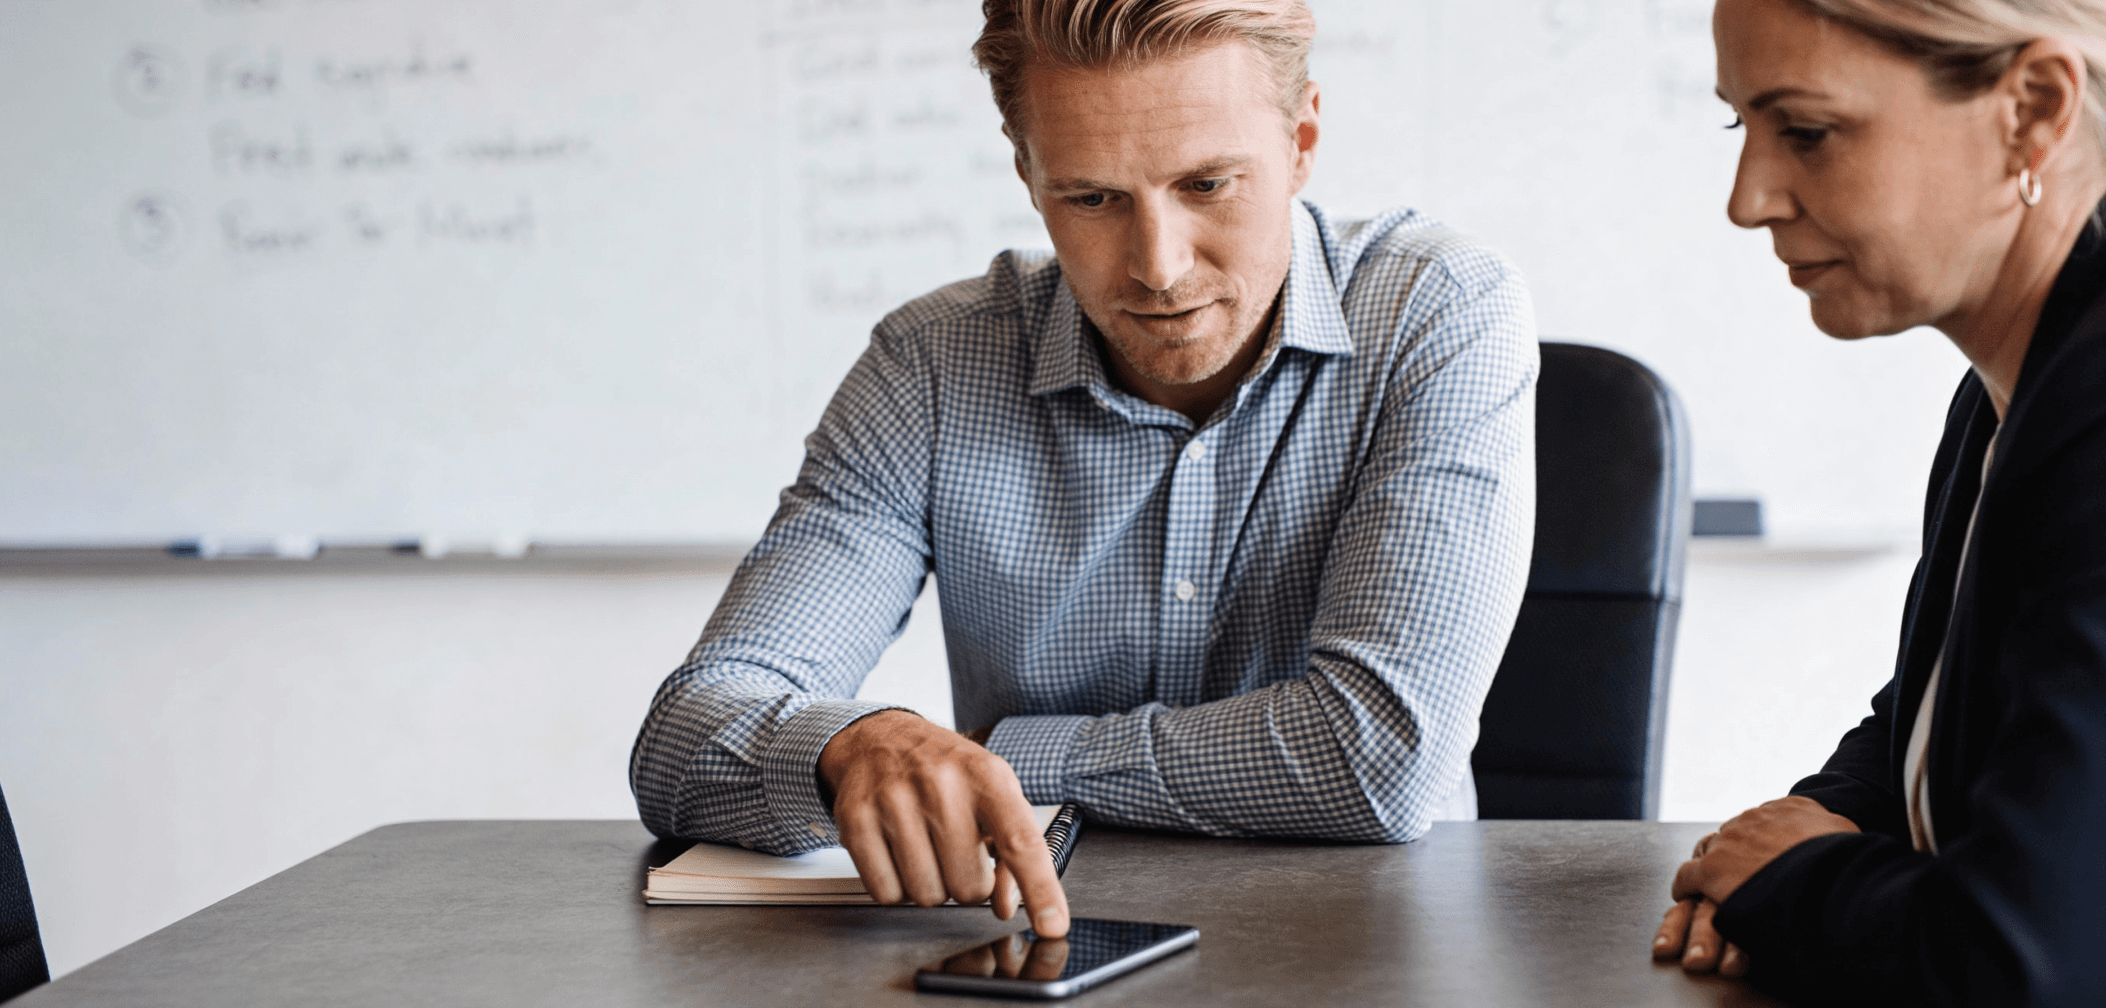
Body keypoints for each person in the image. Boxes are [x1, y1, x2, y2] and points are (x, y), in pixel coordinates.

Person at [630, 0, 1537, 941]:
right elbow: (684, 739)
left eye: (1208, 184)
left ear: (1301, 140)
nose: (1159, 267)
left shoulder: (1439, 311)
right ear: (1027, 173)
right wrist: (848, 746)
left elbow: (1380, 758)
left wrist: (999, 758)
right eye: (1092, 198)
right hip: (1025, 954)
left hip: (1366, 948)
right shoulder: (931, 366)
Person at [1655, 0, 2106, 1003]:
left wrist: (1796, 880)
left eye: (1807, 132)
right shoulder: (2005, 393)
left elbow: (2024, 963)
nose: (1747, 200)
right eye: (1741, 124)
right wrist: (1775, 847)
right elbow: (1944, 714)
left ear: (2033, 110)